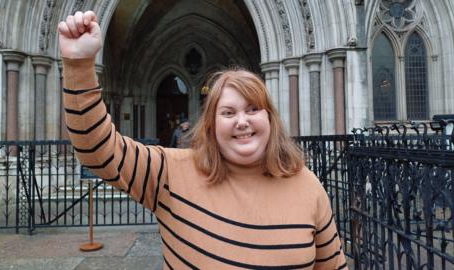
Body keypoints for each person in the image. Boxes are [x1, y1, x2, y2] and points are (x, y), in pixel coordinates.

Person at [58, 11, 347, 269]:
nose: (242, 121)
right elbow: (97, 150)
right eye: (228, 112)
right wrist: (79, 64)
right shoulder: (170, 173)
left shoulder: (308, 186)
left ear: (270, 118)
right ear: (211, 125)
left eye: (253, 109)